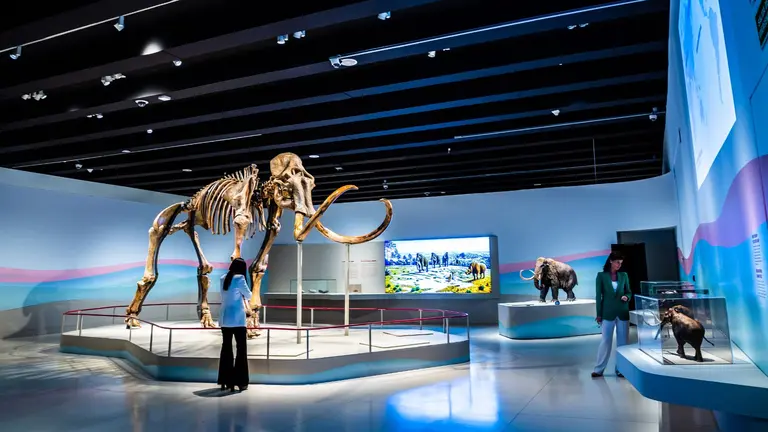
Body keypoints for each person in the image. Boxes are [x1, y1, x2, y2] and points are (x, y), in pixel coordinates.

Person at [592, 251, 631, 378]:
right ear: (610, 261)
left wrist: (627, 296)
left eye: (621, 263)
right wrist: (599, 314)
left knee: (623, 342)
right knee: (606, 341)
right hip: (607, 312)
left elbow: (629, 292)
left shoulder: (624, 275)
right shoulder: (601, 276)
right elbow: (598, 296)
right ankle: (598, 369)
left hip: (622, 312)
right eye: (617, 262)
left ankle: (621, 369)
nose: (619, 265)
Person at [217, 257, 252, 391]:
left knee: (226, 349)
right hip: (237, 319)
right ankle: (241, 381)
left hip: (225, 318)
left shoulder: (222, 278)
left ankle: (225, 380)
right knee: (241, 349)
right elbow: (248, 295)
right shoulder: (240, 279)